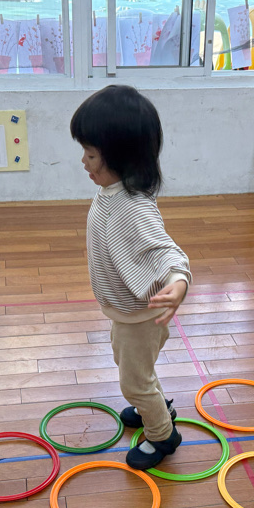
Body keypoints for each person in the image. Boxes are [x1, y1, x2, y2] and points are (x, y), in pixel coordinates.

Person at [70, 85, 191, 470]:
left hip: (140, 317)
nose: (83, 162)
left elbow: (165, 249)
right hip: (127, 312)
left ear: (121, 157)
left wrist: (178, 280)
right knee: (134, 368)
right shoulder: (114, 189)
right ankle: (151, 404)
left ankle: (162, 434)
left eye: (91, 155)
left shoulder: (132, 207)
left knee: (133, 381)